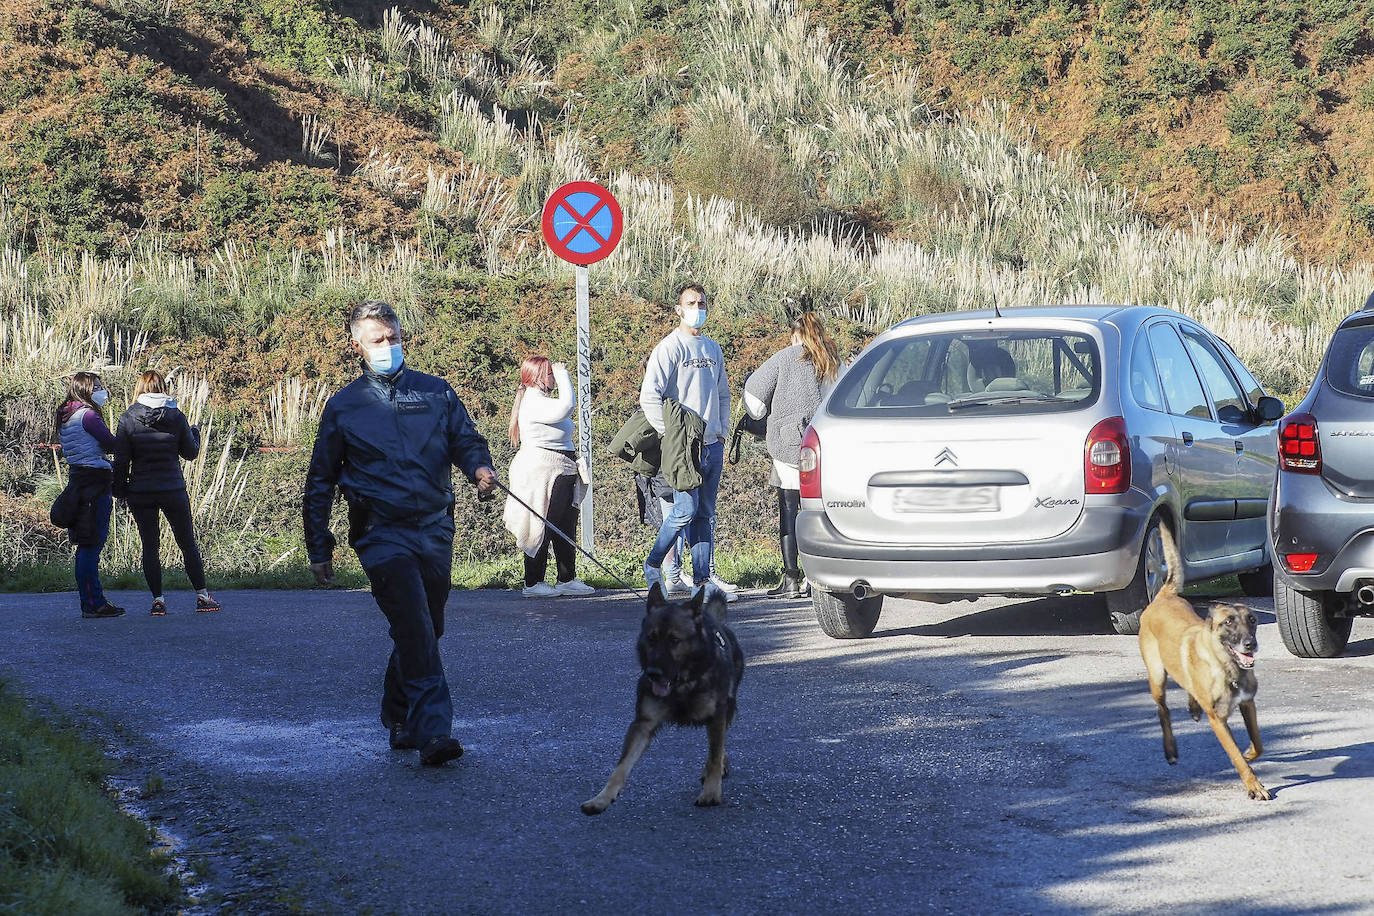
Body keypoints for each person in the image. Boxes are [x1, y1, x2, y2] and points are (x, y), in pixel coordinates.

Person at [304, 300, 497, 767]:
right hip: (380, 533)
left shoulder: (435, 392)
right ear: (358, 347)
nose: (388, 346)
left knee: (429, 627)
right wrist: (319, 544)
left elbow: (465, 440)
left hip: (434, 526)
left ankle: (398, 715)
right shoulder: (345, 406)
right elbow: (321, 479)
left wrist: (479, 468)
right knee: (414, 624)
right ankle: (433, 732)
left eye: (393, 337)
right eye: (378, 340)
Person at [639, 281, 735, 601]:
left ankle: (702, 581)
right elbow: (649, 394)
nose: (698, 309)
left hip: (711, 444)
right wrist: (669, 433)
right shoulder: (670, 347)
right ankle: (653, 564)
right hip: (683, 445)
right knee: (684, 510)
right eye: (691, 304)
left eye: (702, 303)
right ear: (678, 309)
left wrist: (722, 431)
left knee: (705, 513)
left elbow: (723, 393)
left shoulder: (712, 348)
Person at [744, 312, 841, 599]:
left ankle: (790, 579)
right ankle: (817, 578)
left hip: (786, 444)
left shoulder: (784, 357)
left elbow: (754, 400)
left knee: (788, 512)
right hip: (822, 446)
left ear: (795, 335)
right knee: (817, 512)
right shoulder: (832, 358)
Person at [112, 370, 219, 615]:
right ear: (162, 386)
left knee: (150, 547)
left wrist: (120, 491)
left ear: (140, 388)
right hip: (172, 488)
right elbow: (190, 453)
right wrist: (195, 433)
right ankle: (203, 596)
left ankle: (158, 601)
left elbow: (121, 460)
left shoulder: (128, 418)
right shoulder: (176, 416)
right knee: (187, 543)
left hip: (141, 490)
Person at [503, 354, 593, 598]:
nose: (554, 377)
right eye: (550, 374)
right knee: (542, 524)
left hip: (562, 469)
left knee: (565, 525)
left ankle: (567, 578)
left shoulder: (541, 400)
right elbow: (567, 406)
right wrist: (564, 374)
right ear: (537, 378)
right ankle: (533, 582)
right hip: (544, 471)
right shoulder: (534, 402)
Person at [56, 372, 124, 619]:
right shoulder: (88, 415)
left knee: (86, 542)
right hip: (95, 481)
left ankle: (92, 601)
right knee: (91, 543)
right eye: (96, 386)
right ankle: (94, 603)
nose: (101, 390)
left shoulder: (66, 414)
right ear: (84, 389)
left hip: (78, 479)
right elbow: (110, 443)